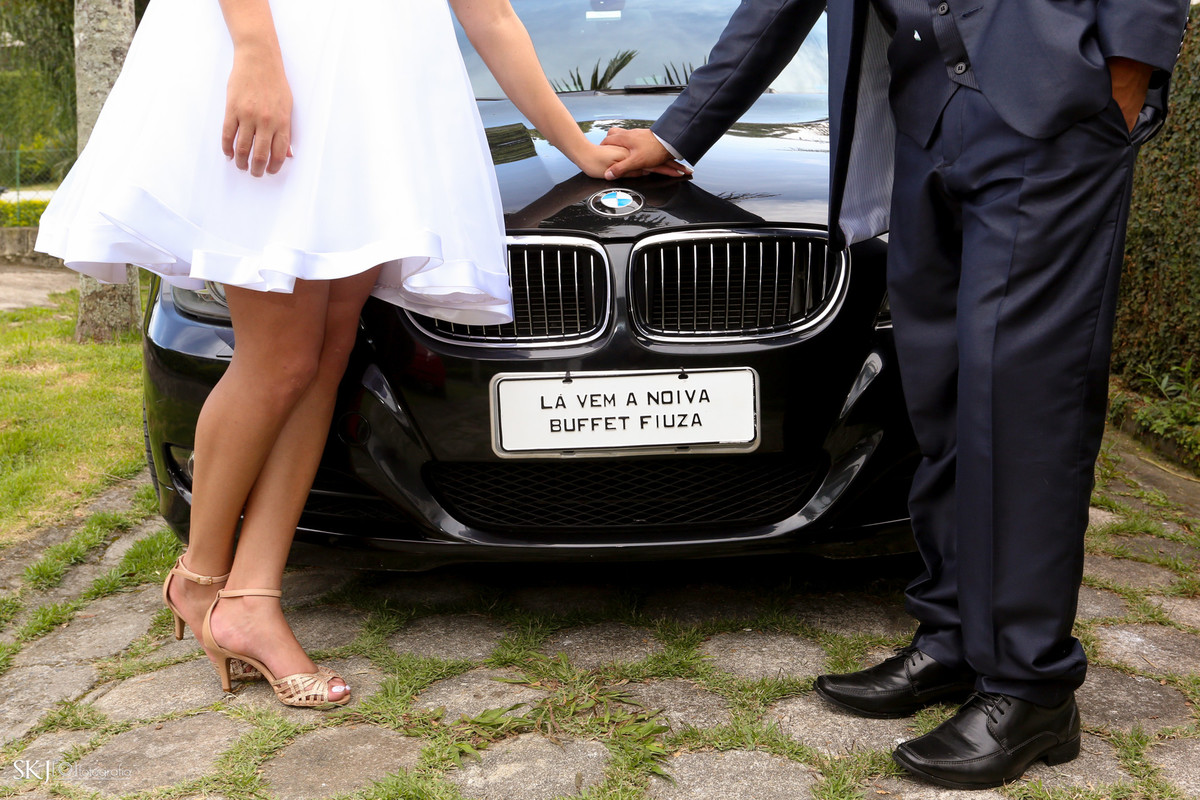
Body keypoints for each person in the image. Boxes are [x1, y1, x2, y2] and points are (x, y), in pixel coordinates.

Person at [601, 0, 1188, 788]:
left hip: (1056, 109)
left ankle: (1030, 685)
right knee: (939, 393)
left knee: (1021, 404)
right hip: (921, 115)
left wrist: (1122, 76)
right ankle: (952, 636)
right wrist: (676, 133)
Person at [35, 0, 644, 709]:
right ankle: (201, 579)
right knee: (280, 358)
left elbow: (493, 16)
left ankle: (251, 598)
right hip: (281, 67)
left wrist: (581, 146)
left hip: (372, 101)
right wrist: (255, 50)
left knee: (324, 353)